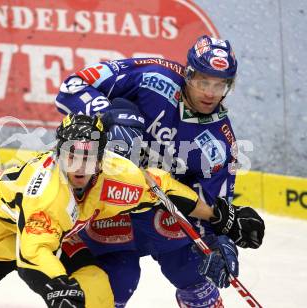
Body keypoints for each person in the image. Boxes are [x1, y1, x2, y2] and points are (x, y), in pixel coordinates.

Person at [0, 113, 236, 308]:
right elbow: (33, 254)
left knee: (96, 291)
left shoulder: (118, 174)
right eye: (71, 156)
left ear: (102, 158)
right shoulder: (48, 193)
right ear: (58, 155)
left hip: (54, 238)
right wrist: (58, 287)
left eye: (88, 158)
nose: (78, 167)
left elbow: (163, 187)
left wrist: (218, 216)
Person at [55, 35, 265, 307]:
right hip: (109, 203)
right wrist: (107, 117)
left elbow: (213, 206)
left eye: (220, 84)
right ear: (189, 74)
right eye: (203, 81)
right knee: (117, 281)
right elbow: (73, 86)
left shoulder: (221, 143)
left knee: (192, 272)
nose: (211, 93)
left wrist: (220, 242)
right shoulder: (152, 77)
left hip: (162, 209)